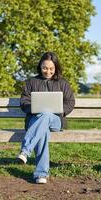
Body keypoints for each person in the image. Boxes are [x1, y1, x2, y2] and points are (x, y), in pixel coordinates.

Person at [18, 52, 75, 184]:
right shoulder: (31, 82)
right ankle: (41, 175)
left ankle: (25, 151)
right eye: (45, 68)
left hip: (56, 121)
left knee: (46, 115)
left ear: (56, 68)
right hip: (35, 120)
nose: (48, 71)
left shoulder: (63, 83)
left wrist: (59, 111)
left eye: (51, 68)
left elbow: (70, 102)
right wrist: (34, 109)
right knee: (42, 127)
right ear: (40, 66)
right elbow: (24, 102)